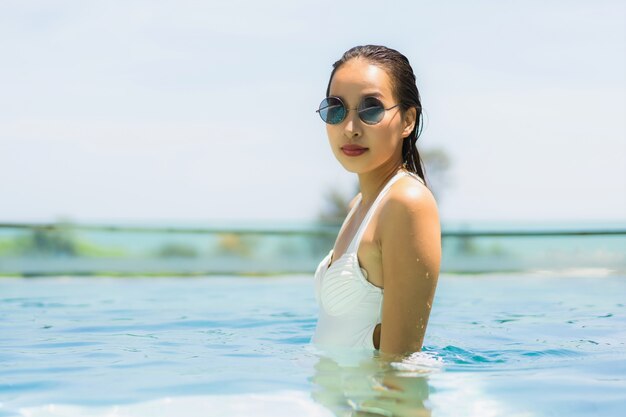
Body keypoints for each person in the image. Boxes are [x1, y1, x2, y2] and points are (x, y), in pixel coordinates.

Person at [311, 45, 441, 358]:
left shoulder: (406, 203)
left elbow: (399, 366)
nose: (350, 129)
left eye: (371, 109)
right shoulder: (360, 205)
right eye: (336, 109)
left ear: (408, 120)